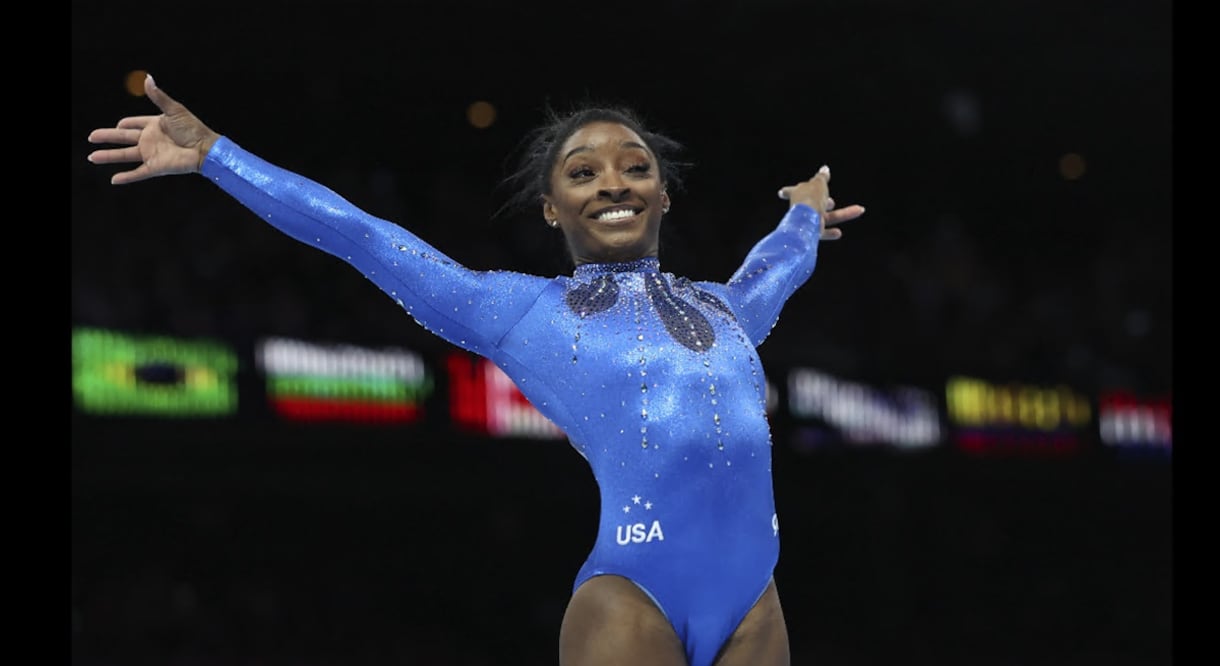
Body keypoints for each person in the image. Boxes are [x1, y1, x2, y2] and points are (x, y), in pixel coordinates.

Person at [87, 73, 866, 666]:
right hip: (635, 597)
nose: (613, 184)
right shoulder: (522, 313)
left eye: (633, 168)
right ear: (553, 209)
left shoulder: (728, 312)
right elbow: (361, 235)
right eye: (583, 174)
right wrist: (217, 157)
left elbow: (781, 264)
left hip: (757, 600)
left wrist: (804, 208)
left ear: (663, 195)